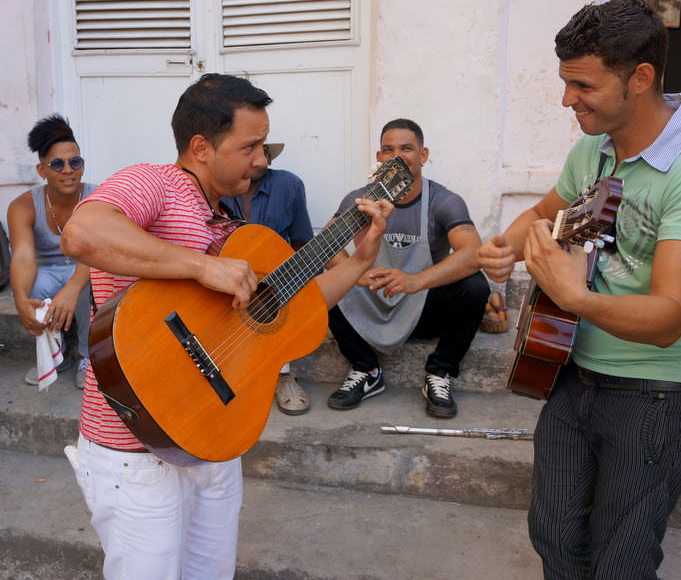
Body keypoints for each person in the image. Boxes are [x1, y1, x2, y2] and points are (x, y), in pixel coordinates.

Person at [59, 73, 392, 580]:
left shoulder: (230, 223)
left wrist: (358, 263)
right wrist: (200, 266)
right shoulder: (155, 182)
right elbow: (83, 232)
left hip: (214, 438)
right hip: (135, 451)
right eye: (251, 146)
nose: (263, 158)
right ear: (201, 147)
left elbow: (292, 308)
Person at [478, 0, 681, 579]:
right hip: (568, 371)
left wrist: (578, 296)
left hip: (657, 396)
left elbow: (667, 319)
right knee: (555, 537)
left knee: (622, 562)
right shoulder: (593, 147)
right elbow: (543, 210)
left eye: (582, 85)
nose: (567, 101)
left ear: (640, 78)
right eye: (565, 83)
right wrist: (504, 249)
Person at [325, 118, 490, 418]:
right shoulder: (361, 199)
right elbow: (326, 245)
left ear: (423, 155)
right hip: (375, 299)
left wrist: (416, 280)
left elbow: (473, 253)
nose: (396, 156)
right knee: (326, 284)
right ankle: (366, 369)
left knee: (475, 286)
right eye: (388, 150)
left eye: (406, 148)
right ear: (379, 158)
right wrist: (355, 273)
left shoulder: (443, 201)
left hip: (422, 306)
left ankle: (439, 372)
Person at [222, 142, 314, 415]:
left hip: (274, 282)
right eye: (249, 153)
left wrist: (303, 286)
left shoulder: (289, 185)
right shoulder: (218, 186)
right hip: (224, 280)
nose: (258, 161)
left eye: (264, 154)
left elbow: (301, 242)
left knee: (282, 294)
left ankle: (283, 375)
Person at [6, 115, 95, 389]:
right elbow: (22, 256)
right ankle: (56, 353)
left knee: (84, 285)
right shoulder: (23, 205)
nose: (68, 170)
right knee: (34, 285)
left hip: (88, 267)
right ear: (42, 170)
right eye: (57, 163)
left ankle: (85, 355)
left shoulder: (99, 198)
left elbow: (97, 254)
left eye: (75, 162)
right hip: (48, 272)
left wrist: (72, 287)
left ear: (82, 166)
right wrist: (20, 298)